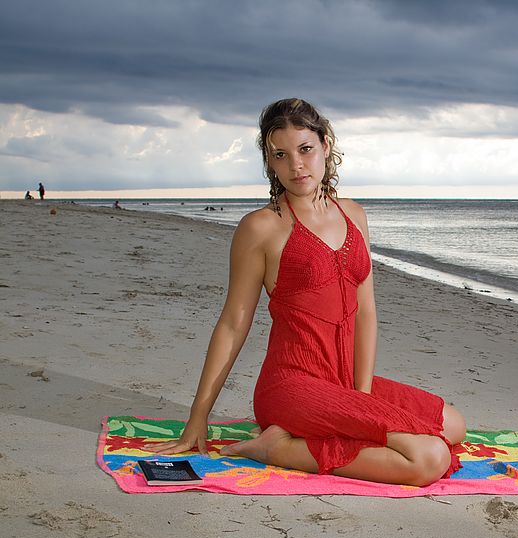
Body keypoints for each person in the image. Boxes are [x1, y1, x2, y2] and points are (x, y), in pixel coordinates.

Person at [145, 98, 466, 486]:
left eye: (305, 149)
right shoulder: (261, 228)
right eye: (280, 155)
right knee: (429, 458)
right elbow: (233, 323)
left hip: (344, 380)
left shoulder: (354, 214)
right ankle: (275, 448)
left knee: (453, 425)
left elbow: (366, 312)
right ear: (270, 163)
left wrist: (360, 396)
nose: (295, 165)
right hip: (291, 386)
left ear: (326, 146)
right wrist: (198, 418)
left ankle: (306, 437)